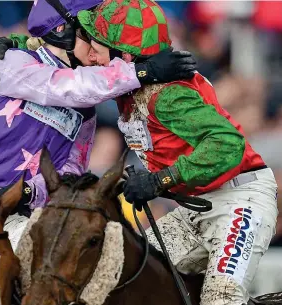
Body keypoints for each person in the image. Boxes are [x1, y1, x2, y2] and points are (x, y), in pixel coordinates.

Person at [0, 0, 199, 304]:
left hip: (19, 219)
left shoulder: (85, 113)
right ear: (62, 31)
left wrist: (32, 189)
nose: (103, 47)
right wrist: (142, 72)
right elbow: (65, 86)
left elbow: (70, 174)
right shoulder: (12, 62)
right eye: (93, 36)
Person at [70, 0, 277, 304]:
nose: (90, 54)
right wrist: (19, 43)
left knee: (220, 299)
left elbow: (227, 145)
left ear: (125, 55)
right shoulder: (131, 83)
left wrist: (159, 181)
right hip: (196, 207)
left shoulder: (168, 95)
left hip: (240, 203)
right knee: (116, 277)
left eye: (97, 46)